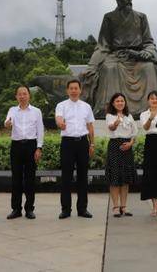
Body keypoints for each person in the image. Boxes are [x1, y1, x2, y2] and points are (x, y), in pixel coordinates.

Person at [81, 0, 157, 116]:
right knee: (108, 68)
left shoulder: (141, 17)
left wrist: (147, 51)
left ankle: (151, 109)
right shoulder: (109, 18)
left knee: (149, 68)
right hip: (117, 56)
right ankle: (108, 109)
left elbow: (149, 41)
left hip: (138, 57)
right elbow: (103, 46)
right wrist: (92, 65)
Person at [56, 79, 95, 219]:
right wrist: (61, 124)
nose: (73, 90)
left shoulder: (86, 106)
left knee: (83, 176)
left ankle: (82, 209)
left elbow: (90, 126)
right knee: (66, 176)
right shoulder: (61, 105)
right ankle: (66, 209)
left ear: (80, 90)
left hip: (82, 143)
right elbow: (58, 119)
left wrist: (92, 144)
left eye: (76, 88)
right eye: (71, 88)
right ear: (67, 90)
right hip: (67, 143)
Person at [4, 85, 44, 220]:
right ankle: (16, 209)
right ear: (16, 96)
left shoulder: (36, 111)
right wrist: (7, 124)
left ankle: (29, 209)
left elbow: (40, 130)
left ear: (29, 95)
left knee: (30, 179)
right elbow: (7, 122)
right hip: (16, 146)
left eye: (24, 93)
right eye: (19, 94)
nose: (22, 96)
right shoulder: (12, 110)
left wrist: (39, 148)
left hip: (31, 145)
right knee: (16, 179)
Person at [105, 92, 138, 217]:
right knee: (114, 178)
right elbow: (111, 128)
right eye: (117, 101)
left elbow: (134, 132)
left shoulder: (129, 116)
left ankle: (124, 206)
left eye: (122, 101)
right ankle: (115, 207)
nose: (120, 103)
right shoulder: (110, 115)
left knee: (125, 179)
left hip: (127, 147)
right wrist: (116, 123)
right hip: (115, 146)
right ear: (113, 103)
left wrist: (131, 143)